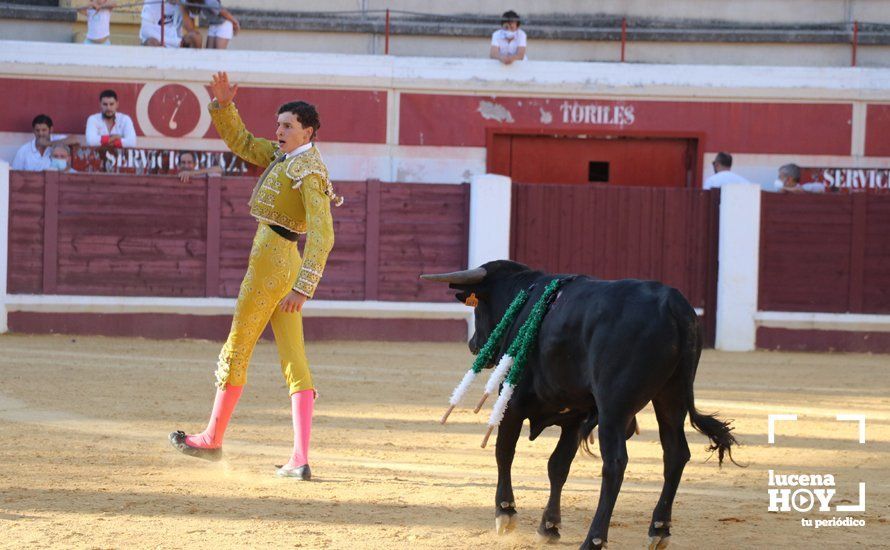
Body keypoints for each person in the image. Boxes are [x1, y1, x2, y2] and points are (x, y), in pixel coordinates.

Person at [169, 71, 342, 480]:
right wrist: (224, 108)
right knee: (294, 359)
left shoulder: (309, 171)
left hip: (272, 265)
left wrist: (304, 287)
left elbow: (324, 233)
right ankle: (299, 459)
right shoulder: (288, 157)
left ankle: (212, 438)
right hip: (283, 262)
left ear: (308, 132)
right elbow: (244, 143)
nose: (278, 131)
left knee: (238, 345)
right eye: (279, 124)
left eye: (287, 126)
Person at [11, 114, 78, 171]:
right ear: (33, 130)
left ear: (51, 129)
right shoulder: (24, 150)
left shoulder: (56, 140)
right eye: (37, 130)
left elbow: (74, 140)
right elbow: (14, 173)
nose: (40, 133)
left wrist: (48, 143)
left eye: (44, 130)